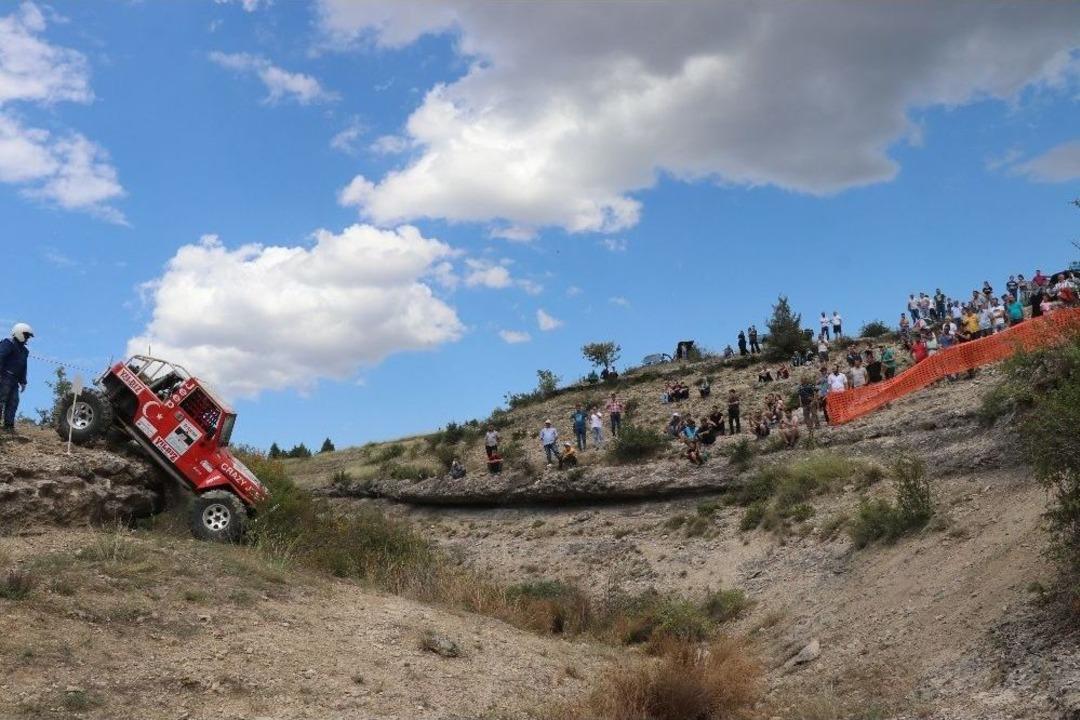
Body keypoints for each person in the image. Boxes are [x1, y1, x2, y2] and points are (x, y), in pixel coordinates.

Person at [0, 323, 33, 433]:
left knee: (14, 402)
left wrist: (23, 382)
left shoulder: (24, 351)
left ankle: (8, 426)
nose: (27, 338)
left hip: (14, 380)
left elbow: (24, 366)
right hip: (4, 376)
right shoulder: (8, 343)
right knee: (1, 399)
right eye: (26, 335)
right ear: (19, 332)